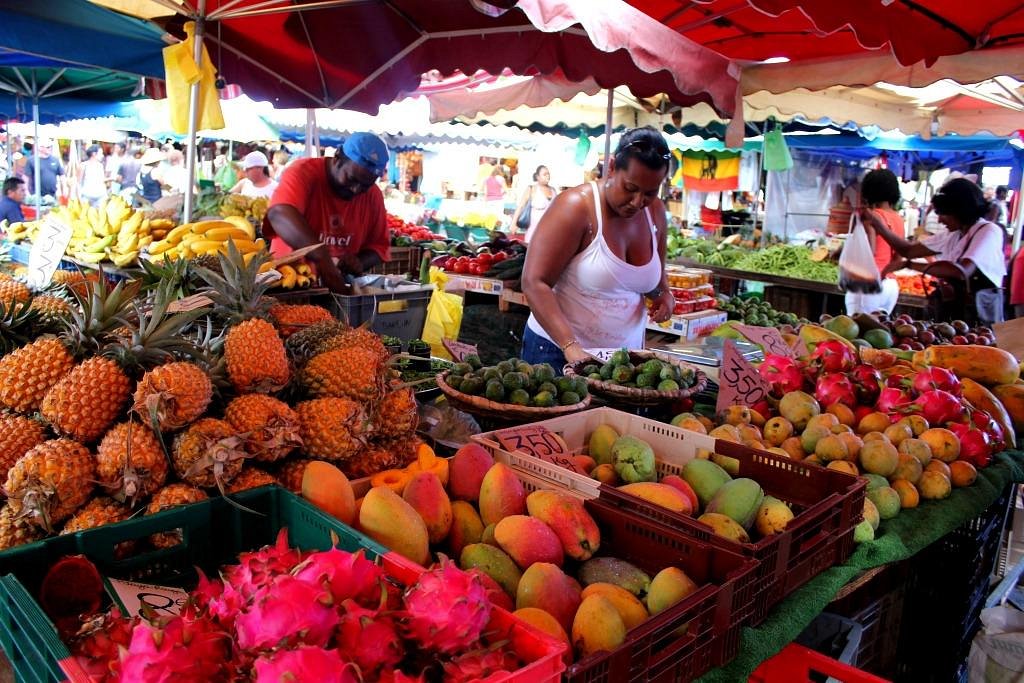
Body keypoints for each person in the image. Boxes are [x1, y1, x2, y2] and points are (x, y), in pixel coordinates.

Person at [521, 127, 675, 367]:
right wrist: (570, 346)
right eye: (630, 188)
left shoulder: (655, 212)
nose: (637, 202)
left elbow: (657, 280)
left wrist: (664, 295)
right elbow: (534, 282)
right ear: (612, 167)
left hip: (622, 363)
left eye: (650, 193)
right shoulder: (575, 207)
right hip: (557, 354)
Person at [265, 132, 391, 293]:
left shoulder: (373, 195)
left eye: (365, 185)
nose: (356, 189)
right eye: (351, 179)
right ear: (337, 157)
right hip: (290, 286)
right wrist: (322, 258)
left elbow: (379, 247)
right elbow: (279, 213)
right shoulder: (302, 172)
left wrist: (358, 262)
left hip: (337, 290)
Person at [870, 177, 1006, 325]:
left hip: (980, 317)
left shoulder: (988, 231)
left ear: (960, 210)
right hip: (956, 315)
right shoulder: (954, 234)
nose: (940, 220)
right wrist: (880, 227)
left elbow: (961, 271)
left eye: (943, 213)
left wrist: (909, 265)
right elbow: (908, 250)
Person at [844, 169, 902, 315]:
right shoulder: (898, 219)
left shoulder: (871, 217)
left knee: (857, 332)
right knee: (879, 333)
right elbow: (898, 258)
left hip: (868, 285)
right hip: (890, 285)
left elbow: (870, 251)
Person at [510, 165, 556, 243]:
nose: (548, 176)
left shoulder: (553, 190)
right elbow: (520, 206)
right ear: (537, 177)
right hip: (533, 231)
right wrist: (513, 224)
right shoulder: (532, 189)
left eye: (548, 174)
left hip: (549, 232)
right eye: (545, 174)